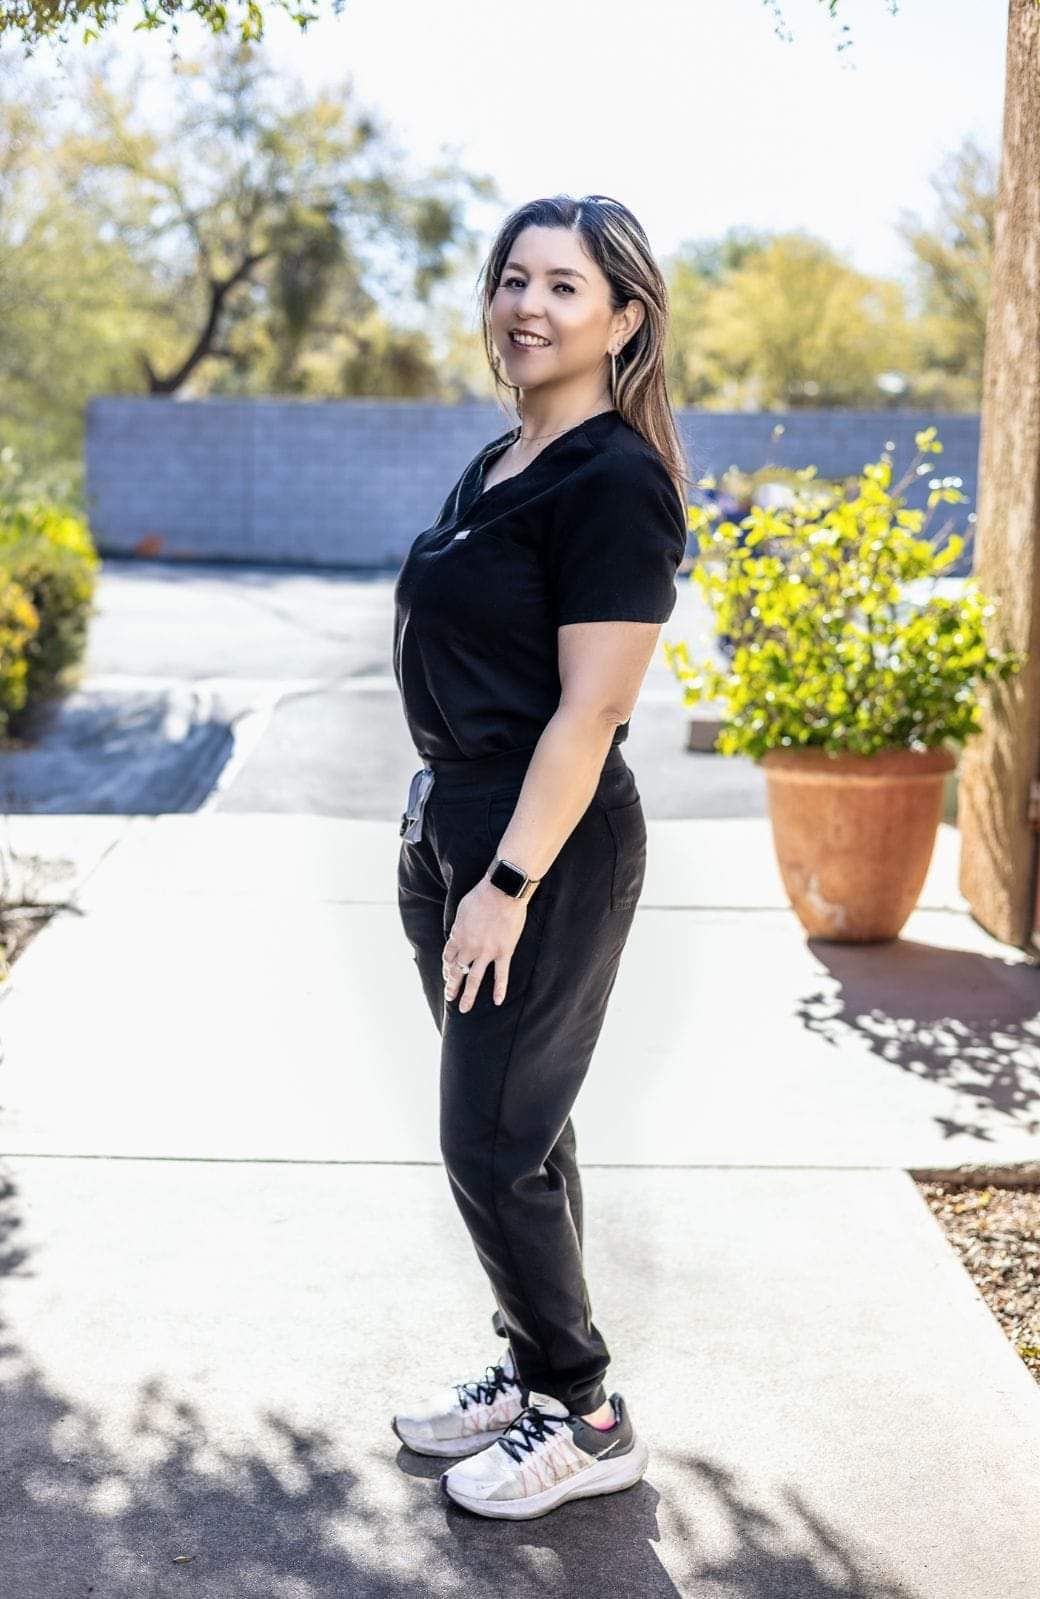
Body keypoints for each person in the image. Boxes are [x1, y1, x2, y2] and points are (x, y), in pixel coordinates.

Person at [390, 193, 692, 1521]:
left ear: (623, 319)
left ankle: (589, 1414)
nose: (529, 305)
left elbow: (591, 711)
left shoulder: (615, 480)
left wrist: (505, 887)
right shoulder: (504, 459)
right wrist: (451, 852)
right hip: (457, 824)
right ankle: (530, 1370)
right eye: (514, 278)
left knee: (490, 1140)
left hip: (544, 849)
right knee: (524, 1121)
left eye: (565, 286)